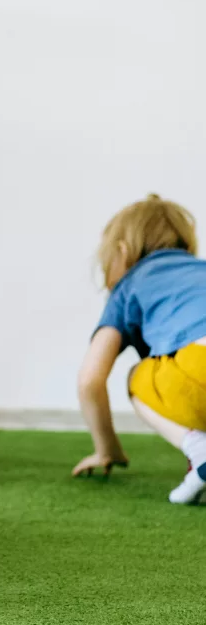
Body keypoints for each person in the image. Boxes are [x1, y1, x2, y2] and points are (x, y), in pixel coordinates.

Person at [74, 194, 206, 503]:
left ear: (120, 252)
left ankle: (199, 451)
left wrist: (107, 449)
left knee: (139, 376)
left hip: (198, 367)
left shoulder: (129, 285)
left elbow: (89, 380)